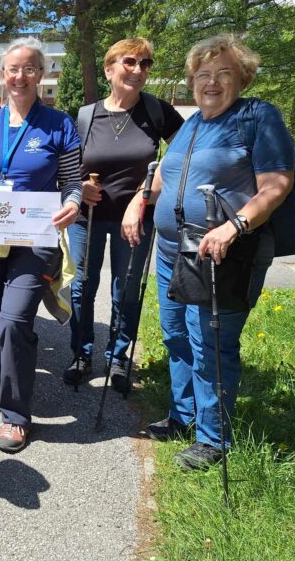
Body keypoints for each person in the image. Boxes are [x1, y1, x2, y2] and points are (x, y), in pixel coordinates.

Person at [124, 34, 294, 470]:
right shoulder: (192, 124)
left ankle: (213, 438)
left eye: (223, 74)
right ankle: (182, 417)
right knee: (176, 335)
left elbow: (276, 184)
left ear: (243, 78)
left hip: (220, 254)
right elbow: (161, 175)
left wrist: (234, 225)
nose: (212, 83)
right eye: (203, 75)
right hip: (169, 250)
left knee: (210, 345)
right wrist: (137, 202)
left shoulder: (257, 117)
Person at [0, 37, 82, 453]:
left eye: (30, 68)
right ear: (0, 75)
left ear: (41, 74)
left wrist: (73, 204)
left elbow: (72, 183)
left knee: (14, 321)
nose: (20, 76)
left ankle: (15, 415)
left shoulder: (59, 124)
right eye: (13, 68)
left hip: (35, 239)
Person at [64, 38, 184, 392]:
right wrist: (79, 186)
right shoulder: (87, 115)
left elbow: (181, 157)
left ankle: (118, 358)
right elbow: (69, 165)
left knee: (126, 290)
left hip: (135, 220)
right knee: (82, 288)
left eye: (145, 64)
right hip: (87, 216)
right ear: (109, 69)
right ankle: (81, 353)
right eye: (129, 62)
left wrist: (144, 197)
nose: (138, 70)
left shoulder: (158, 112)